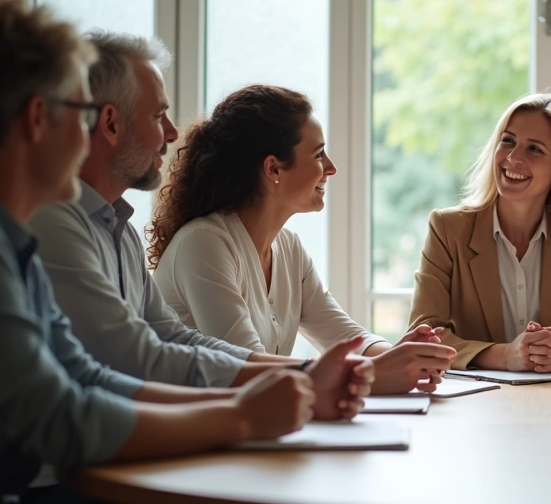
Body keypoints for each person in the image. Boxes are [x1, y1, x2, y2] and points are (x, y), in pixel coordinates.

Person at [0, 0, 371, 504]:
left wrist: (293, 387)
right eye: (81, 114)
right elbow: (65, 416)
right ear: (38, 118)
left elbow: (87, 373)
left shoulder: (12, 235)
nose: (173, 134)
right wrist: (243, 414)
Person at [29, 32, 360, 393]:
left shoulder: (120, 231)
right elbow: (136, 358)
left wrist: (307, 373)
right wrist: (303, 379)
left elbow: (172, 337)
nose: (172, 133)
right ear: (110, 124)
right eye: (158, 116)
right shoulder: (55, 225)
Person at [151, 85, 455, 394]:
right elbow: (249, 370)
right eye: (319, 154)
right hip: (199, 432)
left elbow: (342, 334)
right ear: (273, 169)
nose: (331, 168)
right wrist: (376, 372)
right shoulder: (204, 244)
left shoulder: (289, 248)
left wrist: (397, 357)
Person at [408, 93, 551, 372]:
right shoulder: (447, 228)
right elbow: (424, 335)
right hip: (471, 406)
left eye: (534, 149)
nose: (513, 158)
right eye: (508, 141)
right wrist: (504, 356)